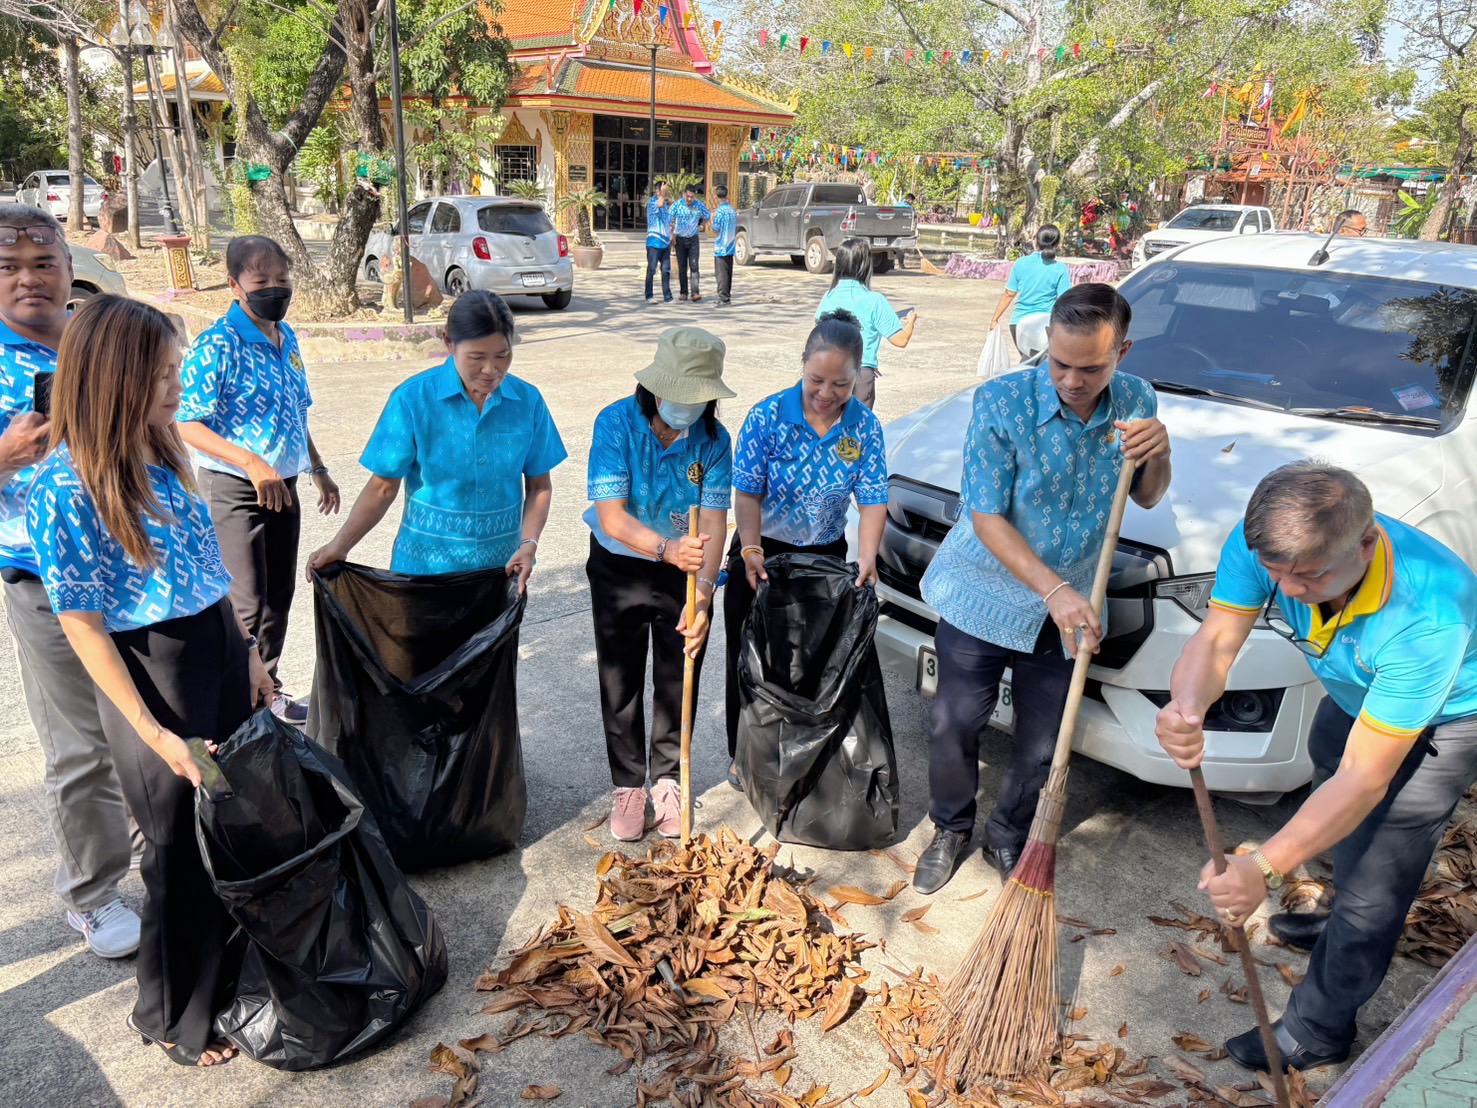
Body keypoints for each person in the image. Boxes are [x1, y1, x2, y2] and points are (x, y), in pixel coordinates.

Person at [1157, 462, 1477, 1073]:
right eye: (1276, 572)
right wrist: (1188, 705)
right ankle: (1337, 919)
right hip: (1356, 693)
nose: (1290, 589)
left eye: (1308, 575)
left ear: (1367, 541)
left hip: (1445, 721)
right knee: (1333, 803)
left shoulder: (1429, 616)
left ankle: (1317, 1030)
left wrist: (1263, 867)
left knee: (1373, 890)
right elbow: (1218, 641)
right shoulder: (1271, 544)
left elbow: (1366, 778)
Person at [28, 294, 275, 1065]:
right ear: (113, 378)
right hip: (154, 681)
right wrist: (156, 734)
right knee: (176, 850)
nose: (177, 387)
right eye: (163, 374)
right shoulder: (65, 488)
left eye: (175, 370)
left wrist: (250, 654)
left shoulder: (161, 456)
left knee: (230, 832)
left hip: (214, 657)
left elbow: (206, 571)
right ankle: (172, 1016)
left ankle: (228, 980)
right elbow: (83, 626)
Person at [912, 283, 1172, 895]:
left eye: (1090, 368)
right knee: (954, 724)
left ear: (1122, 353)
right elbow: (986, 516)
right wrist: (1053, 589)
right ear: (1045, 345)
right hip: (986, 594)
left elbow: (1148, 494)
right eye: (1059, 363)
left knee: (1043, 738)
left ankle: (1008, 836)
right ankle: (949, 828)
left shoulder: (1136, 401)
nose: (1072, 381)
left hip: (1072, 605)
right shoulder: (1001, 403)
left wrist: (1159, 452)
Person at [0, 204, 139, 960]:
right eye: (9, 267)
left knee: (149, 723)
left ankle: (166, 857)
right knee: (82, 747)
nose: (29, 279)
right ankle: (92, 896)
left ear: (66, 267)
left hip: (132, 570)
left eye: (42, 262)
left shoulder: (94, 337)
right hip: (44, 583)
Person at [177, 236, 339, 725]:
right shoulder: (217, 345)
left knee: (278, 598)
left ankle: (267, 691)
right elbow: (186, 422)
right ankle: (233, 707)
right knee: (244, 602)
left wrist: (317, 468)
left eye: (282, 281)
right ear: (234, 285)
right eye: (261, 281)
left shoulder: (285, 337)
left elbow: (296, 411)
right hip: (236, 490)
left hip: (283, 485)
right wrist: (250, 463)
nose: (274, 289)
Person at [724, 311, 889, 786]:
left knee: (810, 661)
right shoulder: (768, 417)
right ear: (801, 365)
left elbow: (874, 497)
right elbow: (747, 493)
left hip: (824, 558)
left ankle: (799, 753)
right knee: (751, 656)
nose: (826, 392)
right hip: (763, 553)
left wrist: (868, 554)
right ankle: (745, 755)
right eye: (817, 379)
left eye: (840, 383)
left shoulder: (864, 429)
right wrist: (751, 549)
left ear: (858, 376)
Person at [585, 327, 733, 842]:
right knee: (621, 678)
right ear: (656, 385)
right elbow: (611, 517)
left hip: (687, 572)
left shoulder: (714, 441)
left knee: (677, 675)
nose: (687, 406)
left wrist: (706, 594)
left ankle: (668, 780)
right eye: (679, 394)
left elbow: (714, 525)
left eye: (699, 397)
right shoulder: (615, 424)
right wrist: (666, 549)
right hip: (621, 564)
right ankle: (628, 785)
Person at [308, 291, 564, 584]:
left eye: (502, 355)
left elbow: (539, 487)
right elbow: (382, 488)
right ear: (448, 343)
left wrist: (528, 545)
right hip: (424, 574)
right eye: (477, 357)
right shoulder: (413, 399)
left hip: (500, 572)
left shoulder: (527, 401)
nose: (491, 370)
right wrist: (340, 545)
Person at [814, 238, 917, 409]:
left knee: (830, 427)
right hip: (861, 375)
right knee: (857, 430)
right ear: (866, 266)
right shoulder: (875, 301)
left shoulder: (829, 296)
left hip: (830, 372)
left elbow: (819, 330)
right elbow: (901, 340)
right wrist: (910, 322)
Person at [990, 224, 1074, 358]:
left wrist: (995, 319)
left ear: (1035, 240)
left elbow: (1009, 294)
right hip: (1047, 324)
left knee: (1027, 360)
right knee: (1044, 364)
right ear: (1057, 243)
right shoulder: (1060, 268)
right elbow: (1065, 299)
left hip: (1019, 323)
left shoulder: (1021, 263)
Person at [671, 185, 711, 303]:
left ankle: (695, 292)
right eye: (688, 196)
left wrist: (702, 225)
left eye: (692, 197)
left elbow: (708, 215)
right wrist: (671, 233)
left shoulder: (699, 205)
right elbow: (668, 218)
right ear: (684, 195)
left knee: (694, 266)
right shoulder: (677, 205)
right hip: (680, 240)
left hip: (693, 239)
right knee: (682, 268)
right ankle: (683, 293)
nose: (689, 199)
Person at [644, 181, 675, 305]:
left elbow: (668, 221)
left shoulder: (666, 204)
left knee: (666, 270)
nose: (666, 193)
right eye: (664, 190)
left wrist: (671, 234)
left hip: (665, 243)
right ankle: (649, 296)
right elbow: (660, 204)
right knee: (652, 269)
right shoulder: (652, 202)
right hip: (654, 242)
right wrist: (663, 193)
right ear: (658, 191)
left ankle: (668, 296)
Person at [710, 185, 737, 307]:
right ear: (727, 196)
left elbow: (716, 229)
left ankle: (723, 298)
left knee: (721, 274)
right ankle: (727, 296)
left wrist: (711, 219)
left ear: (717, 196)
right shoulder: (732, 210)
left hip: (721, 246)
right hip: (731, 245)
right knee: (728, 272)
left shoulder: (719, 212)